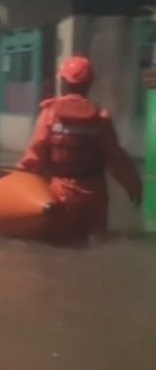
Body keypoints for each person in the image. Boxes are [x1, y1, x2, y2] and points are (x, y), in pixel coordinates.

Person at [18, 56, 142, 241]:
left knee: (62, 245)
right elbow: (116, 159)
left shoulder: (49, 115)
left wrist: (17, 181)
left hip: (61, 194)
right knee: (96, 243)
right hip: (95, 195)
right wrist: (133, 186)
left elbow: (35, 156)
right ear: (89, 84)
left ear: (63, 83)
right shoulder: (101, 118)